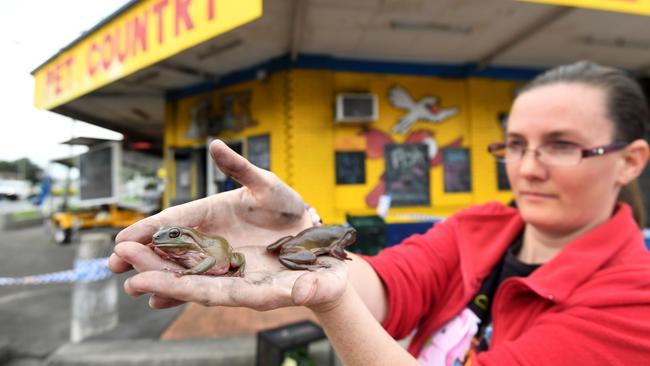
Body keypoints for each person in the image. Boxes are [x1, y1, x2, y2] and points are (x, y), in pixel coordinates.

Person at [109, 61, 650, 365]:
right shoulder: (481, 226)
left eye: (561, 146)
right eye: (514, 144)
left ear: (630, 162)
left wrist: (333, 297)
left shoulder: (636, 301)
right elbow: (392, 286)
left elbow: (348, 297)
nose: (528, 168)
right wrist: (309, 247)